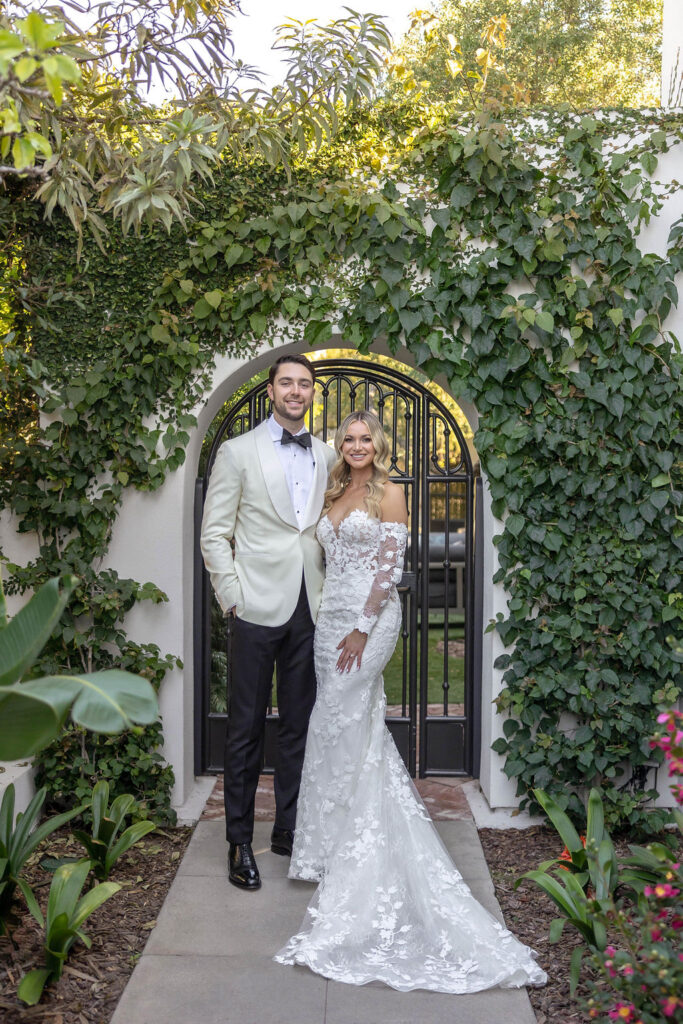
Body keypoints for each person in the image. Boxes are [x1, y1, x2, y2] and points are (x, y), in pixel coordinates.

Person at [275, 410, 547, 993]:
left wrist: (361, 628)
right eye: (346, 438)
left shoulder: (390, 493)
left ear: (380, 443)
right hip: (329, 622)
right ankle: (328, 848)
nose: (354, 446)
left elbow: (388, 568)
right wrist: (333, 621)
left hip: (368, 623)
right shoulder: (333, 489)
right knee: (339, 727)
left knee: (341, 716)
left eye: (364, 438)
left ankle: (359, 849)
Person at [200, 354, 336, 891]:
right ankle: (238, 841)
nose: (296, 391)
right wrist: (231, 596)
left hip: (311, 606)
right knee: (245, 729)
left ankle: (288, 829)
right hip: (254, 606)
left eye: (304, 384)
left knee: (300, 727)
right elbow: (215, 533)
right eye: (287, 383)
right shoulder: (237, 452)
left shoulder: (326, 454)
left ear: (311, 393)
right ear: (270, 390)